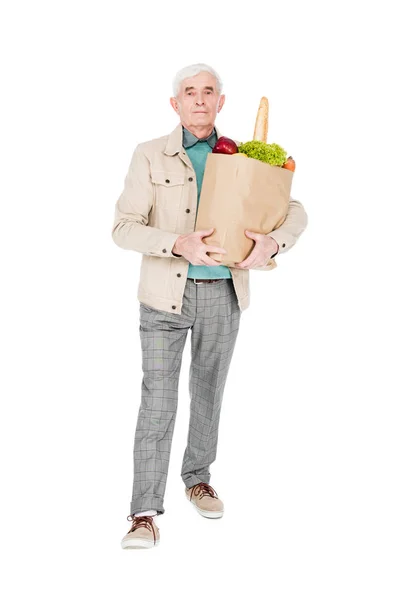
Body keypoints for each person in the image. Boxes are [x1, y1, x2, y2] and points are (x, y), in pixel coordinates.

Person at [112, 63, 308, 549]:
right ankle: (142, 511)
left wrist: (274, 244)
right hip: (164, 297)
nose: (199, 100)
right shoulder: (149, 155)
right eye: (189, 92)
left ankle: (197, 477)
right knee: (157, 401)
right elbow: (124, 227)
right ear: (174, 104)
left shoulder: (241, 155)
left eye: (209, 92)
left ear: (221, 103)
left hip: (224, 293)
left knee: (209, 393)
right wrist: (177, 243)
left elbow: (295, 208)